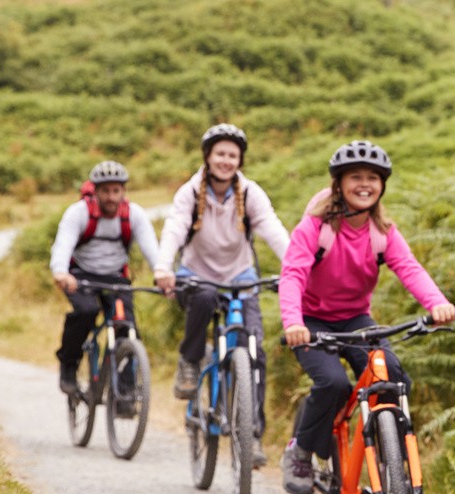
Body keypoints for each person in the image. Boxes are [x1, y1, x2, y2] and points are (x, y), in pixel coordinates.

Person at [279, 139, 455, 494]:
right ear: (339, 184)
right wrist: (294, 323)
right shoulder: (315, 228)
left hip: (356, 318)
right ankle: (300, 451)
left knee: (391, 374)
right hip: (311, 322)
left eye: (373, 178)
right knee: (333, 384)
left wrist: (437, 304)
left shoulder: (382, 232)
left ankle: (394, 457)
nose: (365, 184)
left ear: (382, 185)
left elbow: (410, 269)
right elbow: (293, 274)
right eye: (355, 177)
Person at [154, 123, 289, 468]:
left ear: (240, 160)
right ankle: (190, 360)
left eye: (233, 155)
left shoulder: (250, 193)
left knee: (254, 349)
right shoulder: (190, 192)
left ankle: (252, 435)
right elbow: (174, 228)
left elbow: (272, 228)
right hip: (196, 274)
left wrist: (294, 266)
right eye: (220, 154)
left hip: (240, 275)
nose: (226, 161)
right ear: (208, 157)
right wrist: (162, 267)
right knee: (202, 298)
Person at [50, 160, 161, 394]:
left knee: (127, 327)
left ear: (123, 191)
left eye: (116, 190)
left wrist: (163, 274)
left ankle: (126, 390)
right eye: (105, 191)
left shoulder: (134, 215)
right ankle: (69, 365)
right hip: (81, 276)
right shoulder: (78, 213)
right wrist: (61, 272)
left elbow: (153, 251)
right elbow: (63, 245)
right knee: (86, 312)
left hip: (115, 278)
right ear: (95, 191)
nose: (111, 197)